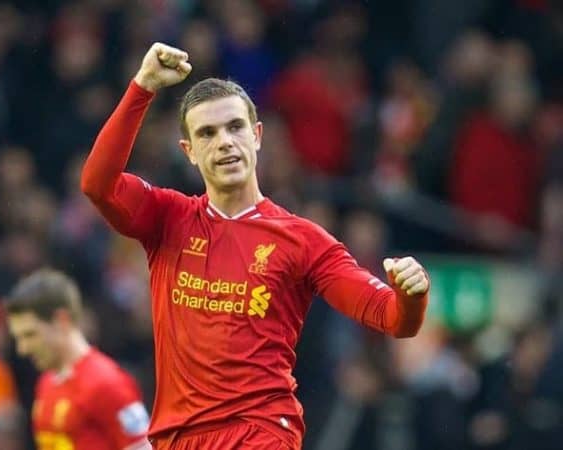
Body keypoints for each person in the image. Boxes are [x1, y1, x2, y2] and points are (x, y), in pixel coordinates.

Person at [80, 42, 430, 450]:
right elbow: (97, 185)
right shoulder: (167, 218)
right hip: (177, 437)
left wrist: (411, 296)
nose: (225, 142)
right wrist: (142, 87)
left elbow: (393, 319)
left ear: (257, 135)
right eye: (207, 134)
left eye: (235, 127)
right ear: (189, 152)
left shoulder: (303, 241)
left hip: (259, 433)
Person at [3, 269, 152, 450]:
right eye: (18, 338)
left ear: (61, 320)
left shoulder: (108, 384)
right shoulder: (46, 383)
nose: (23, 349)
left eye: (30, 335)